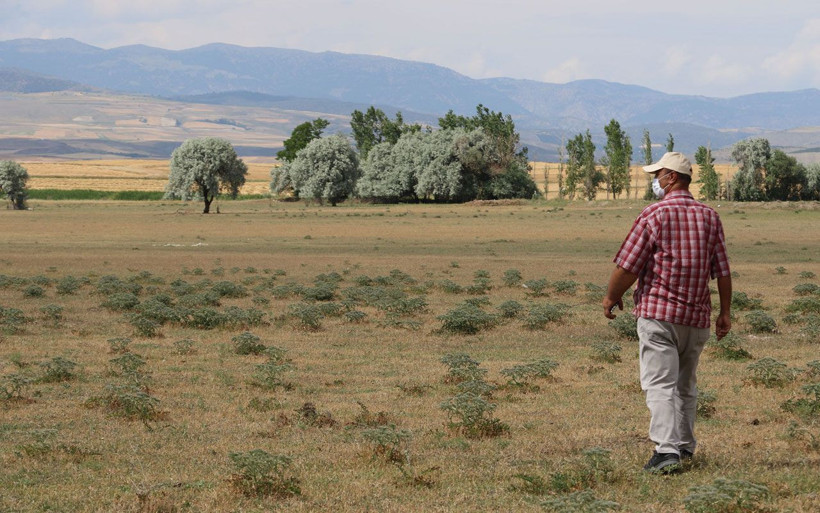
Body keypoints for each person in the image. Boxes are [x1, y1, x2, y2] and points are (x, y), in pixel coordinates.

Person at [603, 151, 732, 474]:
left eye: (658, 175)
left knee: (660, 384)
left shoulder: (653, 214)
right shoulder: (709, 216)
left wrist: (610, 297)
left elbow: (628, 266)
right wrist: (725, 313)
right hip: (697, 316)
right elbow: (723, 271)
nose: (655, 181)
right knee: (686, 385)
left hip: (659, 313)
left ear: (672, 177)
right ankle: (685, 446)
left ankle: (666, 451)